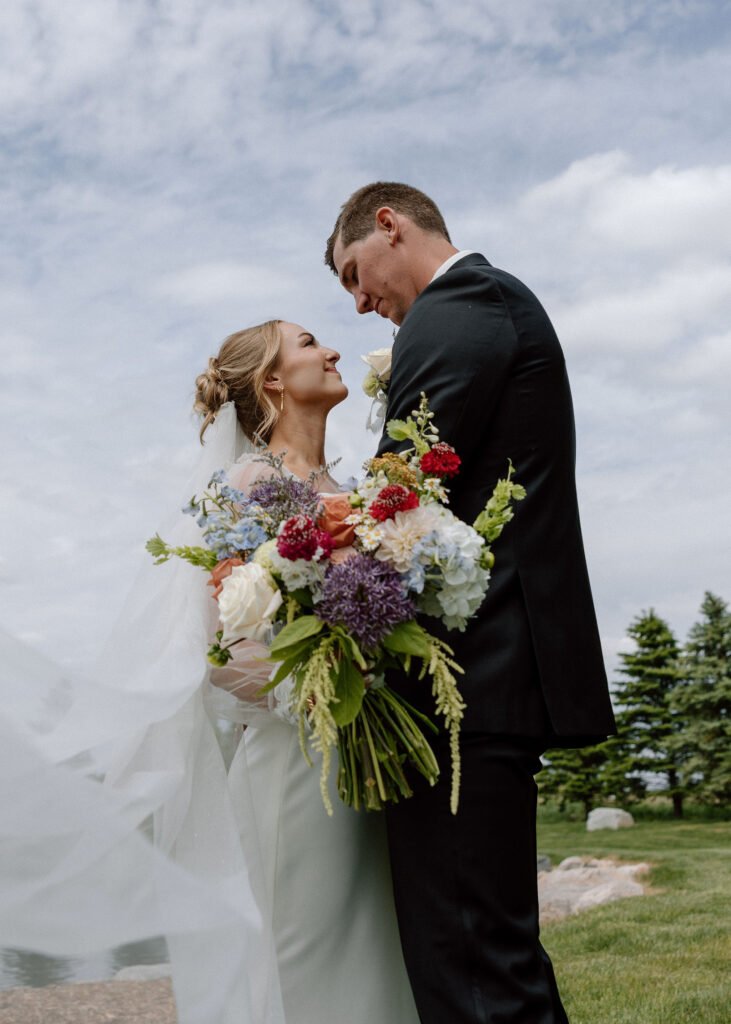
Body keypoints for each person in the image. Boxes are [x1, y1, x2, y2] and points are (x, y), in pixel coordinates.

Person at [325, 182, 617, 1024]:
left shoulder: (461, 304)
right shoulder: (475, 308)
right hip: (486, 670)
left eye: (354, 273)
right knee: (476, 947)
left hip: (474, 669)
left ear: (389, 225)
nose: (357, 303)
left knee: (473, 961)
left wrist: (320, 566)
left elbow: (399, 495)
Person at [193, 319, 420, 1024]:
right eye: (310, 343)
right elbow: (218, 656)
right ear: (270, 379)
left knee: (381, 954)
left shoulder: (357, 491)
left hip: (373, 751)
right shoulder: (244, 487)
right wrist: (323, 684)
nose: (331, 352)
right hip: (297, 760)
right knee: (309, 961)